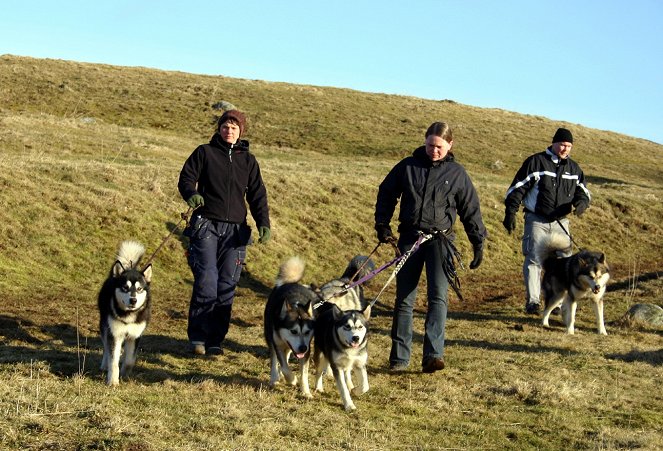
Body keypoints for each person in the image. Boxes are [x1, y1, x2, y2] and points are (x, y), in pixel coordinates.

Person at [374, 122, 487, 373]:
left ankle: (433, 355)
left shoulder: (457, 173)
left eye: (438, 146)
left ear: (450, 145)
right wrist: (382, 225)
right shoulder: (407, 166)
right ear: (424, 142)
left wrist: (478, 241)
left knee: (438, 297)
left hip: (441, 241)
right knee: (404, 299)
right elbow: (386, 193)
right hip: (409, 238)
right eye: (429, 145)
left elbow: (471, 209)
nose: (433, 150)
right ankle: (399, 359)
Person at [178, 109, 271, 356]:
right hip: (206, 225)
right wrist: (192, 194)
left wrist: (263, 222)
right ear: (219, 129)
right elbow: (186, 178)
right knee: (207, 281)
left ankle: (215, 341)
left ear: (241, 131)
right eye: (225, 127)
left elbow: (257, 194)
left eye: (234, 127)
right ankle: (197, 337)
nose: (229, 131)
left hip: (236, 232)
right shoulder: (204, 152)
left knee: (226, 285)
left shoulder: (249, 161)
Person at [503, 127, 590, 314]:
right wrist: (510, 212)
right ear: (554, 143)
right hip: (537, 220)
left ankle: (556, 304)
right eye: (562, 144)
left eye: (569, 146)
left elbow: (583, 191)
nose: (565, 149)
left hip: (561, 222)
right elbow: (517, 188)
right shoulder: (536, 162)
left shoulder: (574, 169)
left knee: (564, 262)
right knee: (534, 259)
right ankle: (533, 302)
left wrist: (582, 203)